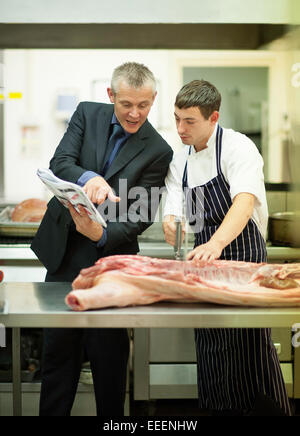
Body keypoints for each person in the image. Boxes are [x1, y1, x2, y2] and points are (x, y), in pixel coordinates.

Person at [31, 62, 173, 416]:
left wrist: (102, 233)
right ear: (111, 96)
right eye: (127, 104)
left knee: (109, 366)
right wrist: (89, 177)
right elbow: (61, 162)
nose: (135, 113)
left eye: (143, 105)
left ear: (153, 99)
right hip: (65, 257)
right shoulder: (86, 114)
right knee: (58, 360)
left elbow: (140, 216)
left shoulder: (158, 149)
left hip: (112, 265)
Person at [163, 79, 291, 416]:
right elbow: (174, 205)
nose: (180, 128)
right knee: (211, 346)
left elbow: (244, 203)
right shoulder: (181, 160)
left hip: (244, 257)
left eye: (189, 121)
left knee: (249, 348)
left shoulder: (238, 147)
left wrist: (217, 242)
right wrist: (171, 222)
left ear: (213, 117)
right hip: (204, 264)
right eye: (177, 118)